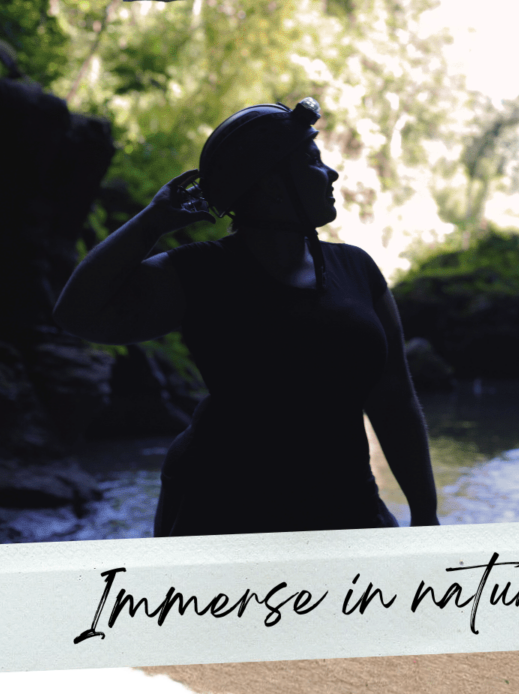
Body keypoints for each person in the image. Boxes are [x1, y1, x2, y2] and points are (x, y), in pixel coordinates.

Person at [54, 98, 439, 537]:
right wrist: (153, 222)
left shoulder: (358, 270)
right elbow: (78, 314)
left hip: (347, 506)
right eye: (314, 162)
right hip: (222, 517)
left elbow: (394, 397)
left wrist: (425, 514)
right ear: (274, 186)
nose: (331, 174)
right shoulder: (200, 273)